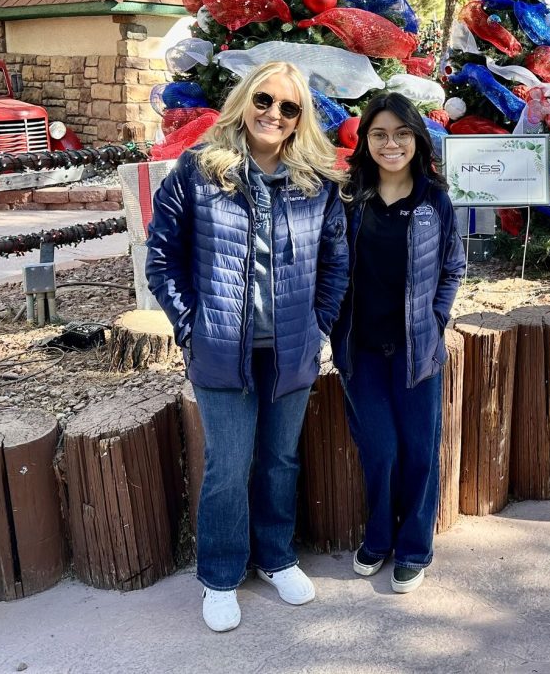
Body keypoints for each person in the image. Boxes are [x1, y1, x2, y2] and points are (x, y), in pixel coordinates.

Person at [145, 61, 349, 631]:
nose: (273, 115)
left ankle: (277, 555)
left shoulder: (316, 182)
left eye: (289, 108)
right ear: (244, 100)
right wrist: (191, 325)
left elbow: (335, 263)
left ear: (299, 120)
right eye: (264, 100)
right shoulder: (197, 172)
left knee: (280, 459)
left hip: (291, 349)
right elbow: (163, 259)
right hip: (220, 348)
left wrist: (318, 326)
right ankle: (219, 572)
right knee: (229, 465)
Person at [331, 92, 465, 594]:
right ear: (366, 140)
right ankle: (379, 535)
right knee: (380, 449)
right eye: (380, 134)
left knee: (418, 451)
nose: (392, 144)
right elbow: (329, 266)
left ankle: (414, 547)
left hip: (417, 351)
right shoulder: (348, 199)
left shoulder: (434, 200)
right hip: (361, 349)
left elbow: (453, 267)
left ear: (417, 139)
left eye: (402, 134)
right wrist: (331, 323)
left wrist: (435, 318)